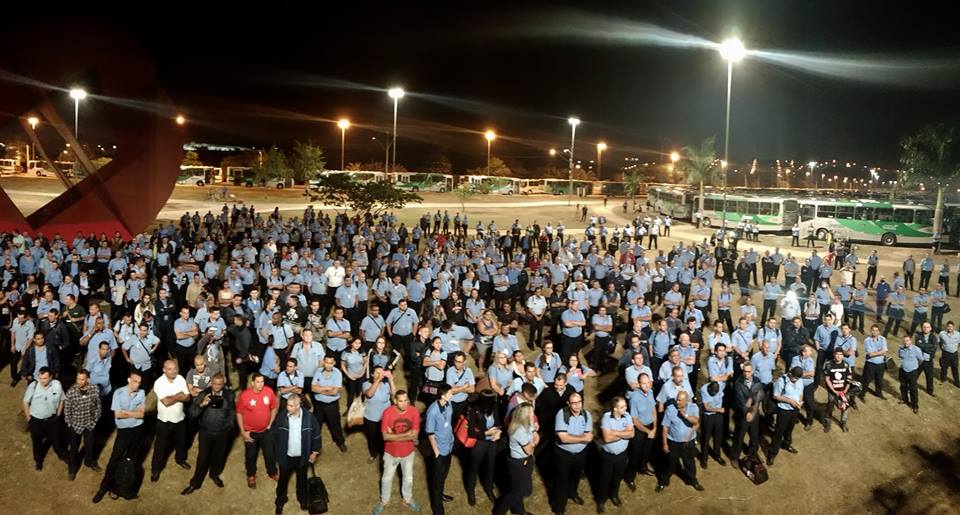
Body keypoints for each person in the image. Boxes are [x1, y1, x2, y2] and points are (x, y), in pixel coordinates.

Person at [93, 370, 146, 503]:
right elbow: (118, 414)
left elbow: (141, 414)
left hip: (137, 430)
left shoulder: (141, 393)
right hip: (124, 432)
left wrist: (127, 412)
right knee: (115, 459)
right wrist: (134, 413)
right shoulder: (118, 393)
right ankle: (104, 488)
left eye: (139, 382)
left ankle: (125, 490)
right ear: (129, 380)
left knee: (132, 460)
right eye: (135, 381)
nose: (137, 384)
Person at [181, 372, 235, 495]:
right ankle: (195, 483)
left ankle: (214, 474)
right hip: (206, 433)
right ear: (211, 382)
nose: (216, 386)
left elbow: (232, 412)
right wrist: (201, 404)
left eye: (219, 384)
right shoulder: (203, 394)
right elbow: (192, 413)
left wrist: (228, 427)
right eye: (214, 384)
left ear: (223, 384)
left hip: (222, 433)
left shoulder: (229, 395)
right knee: (202, 458)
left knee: (218, 457)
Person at [270, 394, 321, 514]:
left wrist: (314, 452)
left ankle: (302, 499)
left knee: (302, 479)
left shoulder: (309, 418)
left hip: (302, 457)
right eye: (287, 405)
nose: (288, 408)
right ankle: (280, 500)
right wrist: (277, 453)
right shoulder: (282, 417)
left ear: (298, 406)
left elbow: (316, 435)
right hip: (285, 457)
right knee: (283, 480)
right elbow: (273, 434)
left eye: (291, 406)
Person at [374, 390, 421, 515]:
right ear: (395, 401)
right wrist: (407, 434)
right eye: (401, 401)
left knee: (408, 477)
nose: (404, 404)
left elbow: (414, 435)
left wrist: (393, 435)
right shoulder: (387, 413)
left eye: (406, 400)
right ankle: (384, 501)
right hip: (391, 453)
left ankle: (408, 499)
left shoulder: (414, 412)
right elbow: (385, 437)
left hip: (408, 452)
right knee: (386, 478)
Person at [151, 359, 192, 482]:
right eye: (170, 369)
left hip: (180, 418)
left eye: (175, 368)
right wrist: (179, 395)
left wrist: (174, 397)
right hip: (164, 421)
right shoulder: (159, 383)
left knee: (181, 442)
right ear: (164, 370)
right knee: (160, 447)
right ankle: (156, 469)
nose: (173, 371)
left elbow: (187, 397)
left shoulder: (180, 379)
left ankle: (180, 460)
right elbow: (166, 402)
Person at [493, 402, 537, 515]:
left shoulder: (527, 424)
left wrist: (533, 440)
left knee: (520, 490)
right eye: (531, 412)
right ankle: (499, 512)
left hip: (525, 461)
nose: (533, 414)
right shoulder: (518, 431)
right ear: (525, 415)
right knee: (516, 492)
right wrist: (533, 442)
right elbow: (529, 450)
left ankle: (518, 510)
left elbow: (535, 436)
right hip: (518, 464)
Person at [552, 391, 592, 515]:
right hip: (564, 454)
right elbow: (563, 438)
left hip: (580, 454)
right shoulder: (561, 414)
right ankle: (559, 507)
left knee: (575, 476)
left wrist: (572, 437)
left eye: (579, 402)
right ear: (568, 404)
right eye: (574, 403)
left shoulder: (586, 415)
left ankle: (572, 493)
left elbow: (589, 437)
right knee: (561, 480)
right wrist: (582, 438)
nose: (577, 405)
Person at [237, 373, 279, 489]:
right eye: (258, 382)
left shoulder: (269, 392)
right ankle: (251, 475)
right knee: (250, 456)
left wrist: (270, 423)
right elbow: (239, 413)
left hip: (265, 431)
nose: (261, 384)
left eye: (262, 381)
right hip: (250, 432)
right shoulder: (245, 395)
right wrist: (243, 432)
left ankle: (272, 472)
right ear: (252, 383)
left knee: (270, 454)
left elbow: (274, 407)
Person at [657, 390, 702, 493]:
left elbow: (696, 421)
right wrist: (665, 444)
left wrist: (685, 415)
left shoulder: (693, 407)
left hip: (688, 442)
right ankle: (663, 482)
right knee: (670, 463)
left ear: (686, 401)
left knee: (689, 463)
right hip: (674, 442)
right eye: (677, 399)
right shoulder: (670, 409)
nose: (677, 402)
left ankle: (693, 481)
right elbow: (665, 428)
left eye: (680, 400)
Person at [22, 367, 66, 471]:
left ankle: (61, 454)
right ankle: (38, 460)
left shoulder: (57, 385)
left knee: (56, 439)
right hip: (36, 420)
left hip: (51, 419)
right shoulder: (33, 386)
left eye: (45, 378)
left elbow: (62, 399)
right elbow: (25, 402)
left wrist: (58, 415)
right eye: (40, 378)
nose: (42, 381)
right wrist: (29, 419)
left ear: (50, 377)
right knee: (37, 442)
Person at [64, 369, 102, 480]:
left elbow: (98, 407)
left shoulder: (95, 390)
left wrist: (94, 421)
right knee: (73, 448)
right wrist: (70, 424)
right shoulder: (71, 392)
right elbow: (67, 410)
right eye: (77, 379)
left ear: (87, 380)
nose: (78, 381)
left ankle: (89, 462)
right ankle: (72, 469)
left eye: (81, 379)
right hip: (76, 425)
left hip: (89, 424)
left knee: (89, 445)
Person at [425, 384, 455, 515]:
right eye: (449, 393)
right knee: (436, 481)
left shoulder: (448, 404)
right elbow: (430, 433)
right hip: (439, 450)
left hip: (448, 446)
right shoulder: (432, 411)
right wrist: (436, 452)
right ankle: (437, 509)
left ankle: (440, 495)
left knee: (443, 476)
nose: (451, 395)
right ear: (442, 395)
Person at [311, 355, 348, 453]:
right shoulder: (318, 371)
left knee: (335, 424)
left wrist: (320, 390)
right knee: (316, 424)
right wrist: (327, 388)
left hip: (331, 405)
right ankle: (314, 443)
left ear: (334, 363)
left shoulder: (337, 373)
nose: (329, 365)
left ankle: (340, 442)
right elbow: (313, 388)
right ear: (324, 362)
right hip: (319, 404)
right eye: (327, 362)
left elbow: (334, 392)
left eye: (331, 363)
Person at [767, 367, 804, 466]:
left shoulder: (800, 381)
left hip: (795, 410)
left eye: (797, 378)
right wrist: (790, 401)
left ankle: (786, 444)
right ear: (790, 374)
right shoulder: (781, 381)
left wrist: (800, 402)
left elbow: (801, 392)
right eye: (794, 378)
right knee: (779, 432)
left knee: (789, 429)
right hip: (784, 410)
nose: (795, 380)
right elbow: (776, 396)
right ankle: (772, 453)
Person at [363, 366, 396, 462]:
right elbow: (369, 394)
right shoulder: (366, 384)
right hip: (371, 417)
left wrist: (391, 380)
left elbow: (394, 394)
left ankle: (384, 454)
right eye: (377, 373)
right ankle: (373, 453)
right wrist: (377, 380)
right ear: (372, 375)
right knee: (372, 438)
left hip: (385, 418)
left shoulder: (386, 384)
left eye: (382, 372)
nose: (380, 374)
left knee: (384, 438)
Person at [823, 348, 852, 432]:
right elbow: (827, 379)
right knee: (830, 407)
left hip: (844, 392)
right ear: (834, 355)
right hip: (832, 392)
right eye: (837, 354)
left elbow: (849, 379)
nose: (838, 356)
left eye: (840, 354)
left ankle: (843, 423)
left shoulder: (846, 365)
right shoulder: (828, 364)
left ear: (843, 356)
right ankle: (827, 423)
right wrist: (833, 391)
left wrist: (845, 390)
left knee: (845, 407)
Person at [699, 380, 726, 468]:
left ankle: (717, 455)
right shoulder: (703, 389)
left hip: (718, 416)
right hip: (708, 416)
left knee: (718, 436)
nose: (713, 395)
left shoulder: (721, 385)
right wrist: (718, 410)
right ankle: (704, 459)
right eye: (712, 393)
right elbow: (706, 407)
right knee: (706, 438)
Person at [862, 325, 888, 399]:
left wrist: (875, 353)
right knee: (867, 380)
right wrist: (880, 352)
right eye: (873, 330)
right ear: (871, 331)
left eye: (876, 330)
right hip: (870, 364)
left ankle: (878, 393)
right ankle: (862, 393)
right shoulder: (867, 340)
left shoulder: (883, 339)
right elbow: (870, 354)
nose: (874, 332)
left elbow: (885, 351)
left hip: (881, 364)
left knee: (879, 380)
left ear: (879, 332)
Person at [899, 335, 923, 414]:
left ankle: (914, 406)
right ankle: (904, 400)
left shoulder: (916, 349)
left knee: (913, 389)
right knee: (903, 386)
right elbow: (900, 357)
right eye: (904, 341)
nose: (906, 342)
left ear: (911, 341)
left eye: (907, 340)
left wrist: (914, 366)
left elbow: (921, 360)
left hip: (912, 372)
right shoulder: (901, 349)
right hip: (902, 371)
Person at [915, 322, 938, 396]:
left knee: (929, 377)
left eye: (927, 327)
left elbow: (934, 348)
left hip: (929, 361)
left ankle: (930, 391)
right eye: (924, 327)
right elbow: (917, 345)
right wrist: (929, 346)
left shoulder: (933, 337)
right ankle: (910, 388)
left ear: (930, 328)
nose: (925, 328)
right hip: (920, 360)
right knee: (915, 375)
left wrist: (923, 346)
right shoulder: (918, 335)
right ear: (922, 328)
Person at [939, 321, 960, 387]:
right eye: (948, 326)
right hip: (945, 354)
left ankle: (956, 382)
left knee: (955, 368)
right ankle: (943, 379)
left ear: (953, 327)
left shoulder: (958, 334)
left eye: (951, 326)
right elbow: (940, 342)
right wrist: (943, 348)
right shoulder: (942, 333)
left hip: (954, 354)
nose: (950, 328)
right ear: (946, 327)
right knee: (944, 367)